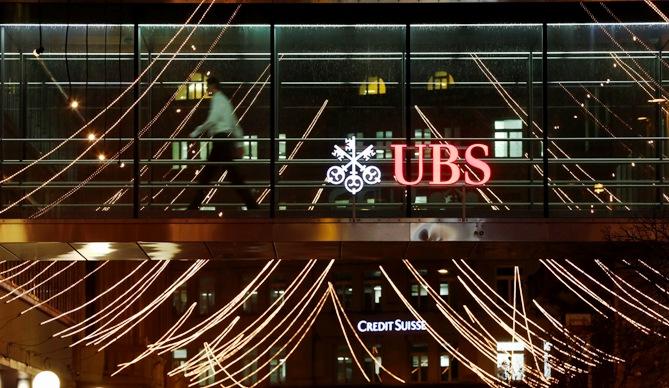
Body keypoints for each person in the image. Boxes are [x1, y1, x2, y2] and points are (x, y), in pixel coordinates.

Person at [187, 77, 257, 211]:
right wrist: (239, 144)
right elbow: (234, 123)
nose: (207, 90)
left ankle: (193, 206)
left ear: (213, 86)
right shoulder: (225, 101)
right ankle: (251, 205)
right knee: (233, 176)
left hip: (219, 141)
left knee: (208, 175)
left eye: (208, 87)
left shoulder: (217, 100)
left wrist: (195, 132)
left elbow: (212, 120)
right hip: (225, 141)